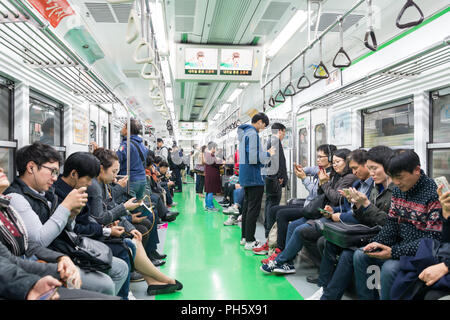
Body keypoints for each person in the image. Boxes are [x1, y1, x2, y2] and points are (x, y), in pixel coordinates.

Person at [4, 142, 127, 296]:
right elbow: (39, 240)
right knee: (106, 282)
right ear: (31, 168)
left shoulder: (46, 193)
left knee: (120, 264)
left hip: (60, 251)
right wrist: (66, 207)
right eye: (52, 171)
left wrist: (72, 215)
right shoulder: (16, 198)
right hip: (42, 259)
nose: (55, 178)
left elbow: (68, 228)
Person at [353, 149, 443, 300]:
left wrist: (394, 252)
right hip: (400, 245)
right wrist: (377, 242)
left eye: (400, 177)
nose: (396, 182)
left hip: (422, 253)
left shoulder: (434, 194)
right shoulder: (399, 191)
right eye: (392, 177)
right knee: (360, 255)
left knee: (390, 268)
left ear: (416, 170)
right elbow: (392, 223)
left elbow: (432, 239)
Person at [92, 148, 183, 296]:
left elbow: (111, 207)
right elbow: (101, 218)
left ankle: (153, 280)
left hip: (109, 224)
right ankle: (159, 279)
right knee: (132, 238)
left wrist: (127, 223)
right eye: (114, 172)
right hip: (101, 230)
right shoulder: (95, 187)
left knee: (138, 231)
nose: (116, 176)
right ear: (101, 169)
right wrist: (125, 208)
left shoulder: (104, 184)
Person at [307, 146, 395, 300]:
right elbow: (363, 214)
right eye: (370, 168)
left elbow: (387, 222)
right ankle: (325, 290)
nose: (372, 173)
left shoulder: (392, 190)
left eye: (374, 168)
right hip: (371, 230)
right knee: (330, 242)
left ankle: (327, 293)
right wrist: (358, 205)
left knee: (351, 253)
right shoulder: (375, 186)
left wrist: (363, 206)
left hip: (377, 234)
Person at [260, 148, 358, 274]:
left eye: (337, 162)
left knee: (299, 228)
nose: (335, 165)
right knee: (292, 225)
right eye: (333, 162)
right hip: (320, 210)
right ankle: (287, 261)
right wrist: (320, 182)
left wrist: (323, 183)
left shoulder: (348, 178)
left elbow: (336, 198)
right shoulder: (333, 175)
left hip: (329, 214)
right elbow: (320, 193)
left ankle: (280, 260)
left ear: (347, 162)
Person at [256, 144, 336, 260]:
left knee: (282, 214)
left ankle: (280, 249)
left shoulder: (328, 175)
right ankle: (271, 242)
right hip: (309, 205)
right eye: (317, 156)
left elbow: (315, 193)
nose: (317, 159)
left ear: (330, 158)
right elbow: (310, 169)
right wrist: (301, 169)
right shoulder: (320, 169)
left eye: (320, 157)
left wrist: (304, 178)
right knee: (274, 210)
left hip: (313, 209)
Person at [238, 112, 275, 250]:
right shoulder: (253, 134)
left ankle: (244, 237)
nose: (263, 129)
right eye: (263, 126)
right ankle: (250, 240)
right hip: (254, 177)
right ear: (259, 121)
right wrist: (268, 154)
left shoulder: (244, 134)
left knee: (247, 208)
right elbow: (254, 158)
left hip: (246, 177)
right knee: (253, 209)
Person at [116, 119, 148, 200]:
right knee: (138, 206)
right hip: (142, 179)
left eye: (124, 126)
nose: (122, 128)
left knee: (128, 207)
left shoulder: (126, 144)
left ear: (128, 130)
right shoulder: (142, 145)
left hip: (131, 181)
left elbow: (116, 159)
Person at [204, 142, 223, 212]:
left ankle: (207, 205)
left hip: (209, 175)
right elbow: (215, 163)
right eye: (215, 148)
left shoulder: (207, 154)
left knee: (208, 191)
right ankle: (210, 207)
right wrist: (222, 162)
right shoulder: (210, 155)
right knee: (211, 191)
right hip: (211, 175)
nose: (215, 150)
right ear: (212, 148)